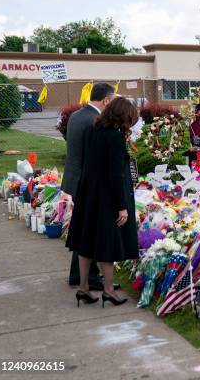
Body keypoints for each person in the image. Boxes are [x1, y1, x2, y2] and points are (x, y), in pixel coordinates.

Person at [66, 97, 139, 307]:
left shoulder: (94, 129)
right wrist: (122, 206)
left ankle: (83, 288)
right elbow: (116, 174)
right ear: (123, 116)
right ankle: (108, 290)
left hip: (89, 193)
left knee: (87, 241)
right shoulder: (114, 137)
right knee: (107, 243)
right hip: (107, 197)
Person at [61, 82, 118, 291]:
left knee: (84, 227)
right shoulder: (95, 120)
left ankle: (78, 275)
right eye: (112, 100)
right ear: (106, 100)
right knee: (91, 229)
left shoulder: (77, 115)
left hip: (75, 177)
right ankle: (90, 278)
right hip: (87, 181)